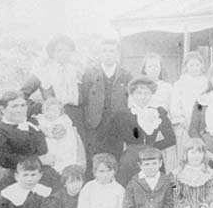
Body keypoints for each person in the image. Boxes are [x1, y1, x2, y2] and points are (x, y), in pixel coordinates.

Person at [0, 90, 61, 191]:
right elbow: (6, 160)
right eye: (14, 106)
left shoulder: (32, 124)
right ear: (3, 109)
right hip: (18, 181)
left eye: (23, 105)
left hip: (45, 177)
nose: (19, 110)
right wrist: (39, 160)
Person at [110, 76, 177, 185]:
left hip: (152, 158)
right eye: (139, 93)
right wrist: (125, 154)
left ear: (152, 94)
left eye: (147, 93)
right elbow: (114, 139)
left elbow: (171, 139)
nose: (142, 97)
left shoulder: (159, 112)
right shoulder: (123, 114)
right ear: (132, 94)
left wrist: (152, 147)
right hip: (130, 159)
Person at [20, 34, 84, 145]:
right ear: (52, 53)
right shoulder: (43, 72)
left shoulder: (77, 72)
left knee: (75, 147)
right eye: (59, 50)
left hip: (76, 117)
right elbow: (21, 94)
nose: (63, 53)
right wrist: (38, 108)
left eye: (67, 50)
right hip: (54, 117)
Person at [81, 39, 132, 171]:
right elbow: (84, 99)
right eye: (104, 51)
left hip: (117, 124)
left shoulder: (126, 75)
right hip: (96, 124)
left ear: (117, 54)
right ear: (100, 54)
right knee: (95, 158)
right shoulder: (90, 73)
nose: (108, 54)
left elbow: (130, 101)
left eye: (111, 51)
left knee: (115, 158)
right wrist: (88, 120)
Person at [170, 52, 208, 166]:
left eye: (197, 65)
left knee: (202, 156)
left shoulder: (207, 83)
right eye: (191, 65)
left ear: (202, 66)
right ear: (186, 67)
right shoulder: (179, 84)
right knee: (185, 155)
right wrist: (185, 123)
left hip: (203, 127)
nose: (195, 68)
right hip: (184, 126)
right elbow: (175, 106)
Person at [35, 97, 85, 174]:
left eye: (55, 111)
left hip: (63, 143)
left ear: (60, 112)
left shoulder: (63, 120)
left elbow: (65, 129)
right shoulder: (42, 120)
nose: (51, 113)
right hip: (50, 145)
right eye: (48, 110)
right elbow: (41, 128)